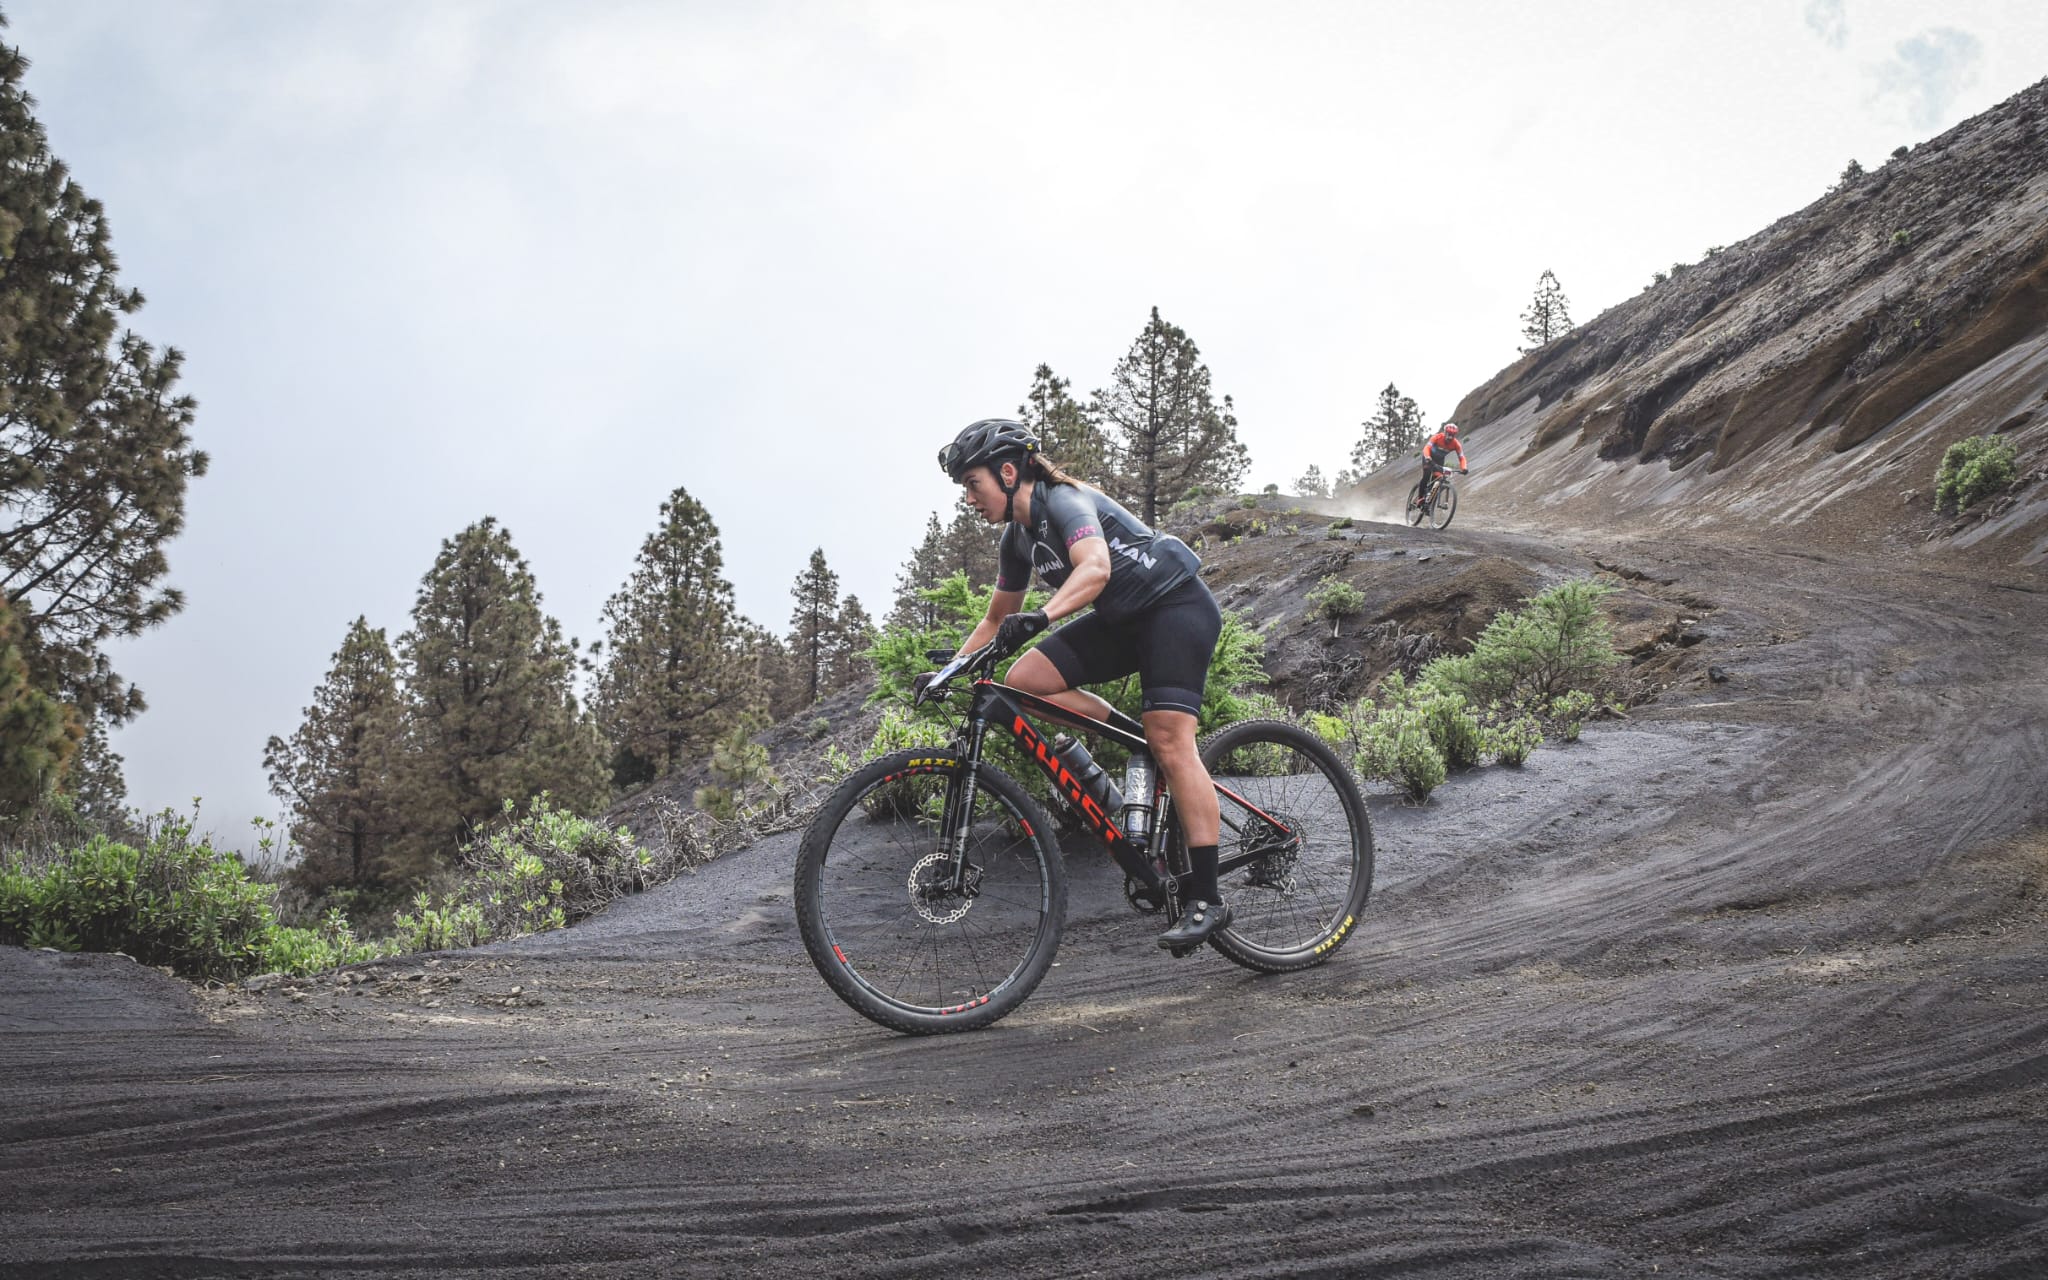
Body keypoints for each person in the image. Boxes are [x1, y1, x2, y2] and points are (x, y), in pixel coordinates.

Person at [933, 417, 1231, 951]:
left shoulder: (1063, 501)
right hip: (1124, 620)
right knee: (1024, 680)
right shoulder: (1016, 539)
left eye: (972, 484)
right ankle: (1137, 743)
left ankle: (1207, 898)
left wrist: (1043, 617)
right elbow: (997, 618)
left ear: (1006, 472)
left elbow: (1094, 568)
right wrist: (950, 670)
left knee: (1171, 738)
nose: (969, 499)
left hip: (1175, 607)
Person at [1414, 421, 1468, 508]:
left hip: (1439, 460)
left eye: (1452, 435)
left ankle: (1429, 499)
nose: (1450, 437)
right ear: (1445, 432)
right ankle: (1420, 498)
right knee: (1427, 474)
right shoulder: (1437, 437)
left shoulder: (1456, 444)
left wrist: (1464, 468)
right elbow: (1427, 447)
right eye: (1448, 434)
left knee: (1438, 478)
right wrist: (1428, 457)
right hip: (1428, 457)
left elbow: (1462, 457)